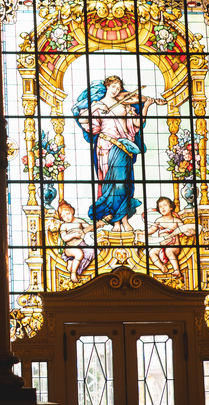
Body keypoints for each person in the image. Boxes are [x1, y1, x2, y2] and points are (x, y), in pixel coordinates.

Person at [72, 75, 166, 231]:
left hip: (124, 148)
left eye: (118, 87)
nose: (116, 90)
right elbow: (82, 120)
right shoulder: (98, 104)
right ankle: (116, 222)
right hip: (106, 148)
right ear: (107, 86)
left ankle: (123, 220)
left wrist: (147, 105)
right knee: (112, 185)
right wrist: (96, 108)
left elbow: (137, 123)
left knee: (125, 184)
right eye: (113, 86)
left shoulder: (125, 106)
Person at [146, 196, 194, 278]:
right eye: (160, 206)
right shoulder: (158, 221)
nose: (162, 208)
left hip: (174, 247)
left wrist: (190, 232)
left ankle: (177, 270)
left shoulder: (177, 221)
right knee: (151, 252)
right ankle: (161, 267)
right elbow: (151, 230)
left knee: (169, 251)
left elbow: (184, 230)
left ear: (171, 207)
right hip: (162, 247)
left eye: (165, 205)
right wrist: (142, 233)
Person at [55, 200, 95, 281]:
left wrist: (97, 225)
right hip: (70, 247)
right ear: (61, 218)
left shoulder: (79, 221)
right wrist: (74, 235)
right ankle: (73, 274)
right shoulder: (64, 226)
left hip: (81, 244)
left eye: (68, 214)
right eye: (64, 216)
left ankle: (75, 266)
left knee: (91, 251)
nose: (67, 217)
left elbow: (90, 228)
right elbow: (64, 238)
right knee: (79, 253)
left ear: (72, 211)